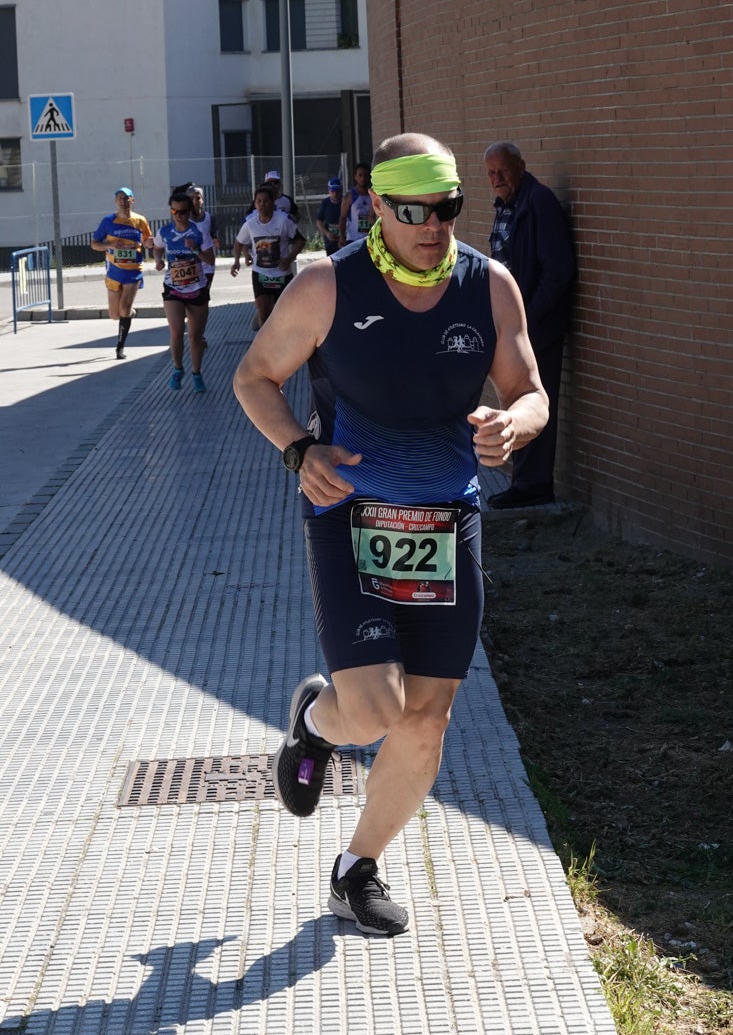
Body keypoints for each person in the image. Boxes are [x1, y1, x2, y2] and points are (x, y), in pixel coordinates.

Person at [233, 132, 548, 936]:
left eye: (447, 207)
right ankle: (316, 721)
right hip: (349, 510)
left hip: (446, 520)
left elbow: (530, 390)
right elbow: (253, 377)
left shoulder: (489, 285)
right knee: (374, 708)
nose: (433, 224)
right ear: (377, 205)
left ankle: (356, 869)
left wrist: (511, 426)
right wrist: (297, 450)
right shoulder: (325, 285)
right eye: (414, 209)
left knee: (428, 717)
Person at [484, 141, 576, 508]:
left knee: (532, 400)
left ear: (521, 166)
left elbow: (558, 271)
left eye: (503, 171)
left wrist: (527, 318)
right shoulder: (509, 204)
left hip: (537, 327)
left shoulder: (538, 202)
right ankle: (523, 480)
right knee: (514, 400)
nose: (496, 179)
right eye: (490, 173)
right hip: (514, 325)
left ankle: (533, 484)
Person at [153, 191, 214, 392]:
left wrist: (196, 249)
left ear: (189, 212)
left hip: (197, 288)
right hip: (173, 288)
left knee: (196, 336)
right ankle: (178, 369)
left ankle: (197, 373)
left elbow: (211, 260)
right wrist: (159, 260)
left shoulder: (199, 232)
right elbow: (157, 247)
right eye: (174, 211)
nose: (178, 215)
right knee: (177, 331)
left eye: (183, 212)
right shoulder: (164, 232)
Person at [230, 184, 305, 329]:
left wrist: (289, 258)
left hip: (281, 274)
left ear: (272, 203)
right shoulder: (250, 224)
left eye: (265, 201)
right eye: (258, 201)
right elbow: (239, 242)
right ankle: (266, 348)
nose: (262, 204)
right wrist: (236, 261)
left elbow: (300, 241)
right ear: (254, 203)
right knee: (263, 314)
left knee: (285, 315)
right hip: (261, 273)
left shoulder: (283, 220)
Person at [90, 187, 153, 359]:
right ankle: (131, 314)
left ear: (132, 200)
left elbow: (148, 240)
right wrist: (110, 246)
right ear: (115, 201)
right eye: (119, 198)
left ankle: (120, 348)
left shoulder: (140, 221)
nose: (123, 201)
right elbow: (94, 244)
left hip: (133, 271)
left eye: (126, 198)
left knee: (124, 309)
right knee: (114, 315)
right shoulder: (108, 221)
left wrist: (150, 243)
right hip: (114, 272)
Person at [187, 185, 219, 289]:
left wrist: (216, 241)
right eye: (191, 198)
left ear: (203, 200)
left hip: (206, 263)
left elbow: (214, 237)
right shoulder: (182, 219)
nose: (195, 201)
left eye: (198, 198)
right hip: (189, 264)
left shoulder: (210, 218)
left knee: (203, 295)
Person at [338, 162, 375, 247]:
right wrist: (341, 237)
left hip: (370, 240)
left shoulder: (374, 196)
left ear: (369, 177)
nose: (362, 178)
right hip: (353, 240)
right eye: (360, 175)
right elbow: (343, 217)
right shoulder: (349, 196)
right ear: (355, 177)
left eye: (365, 175)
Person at [316, 177, 343, 256]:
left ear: (341, 190)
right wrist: (327, 233)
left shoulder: (346, 202)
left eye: (337, 191)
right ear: (329, 191)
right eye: (332, 191)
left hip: (344, 239)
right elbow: (319, 221)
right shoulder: (325, 203)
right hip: (330, 241)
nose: (335, 194)